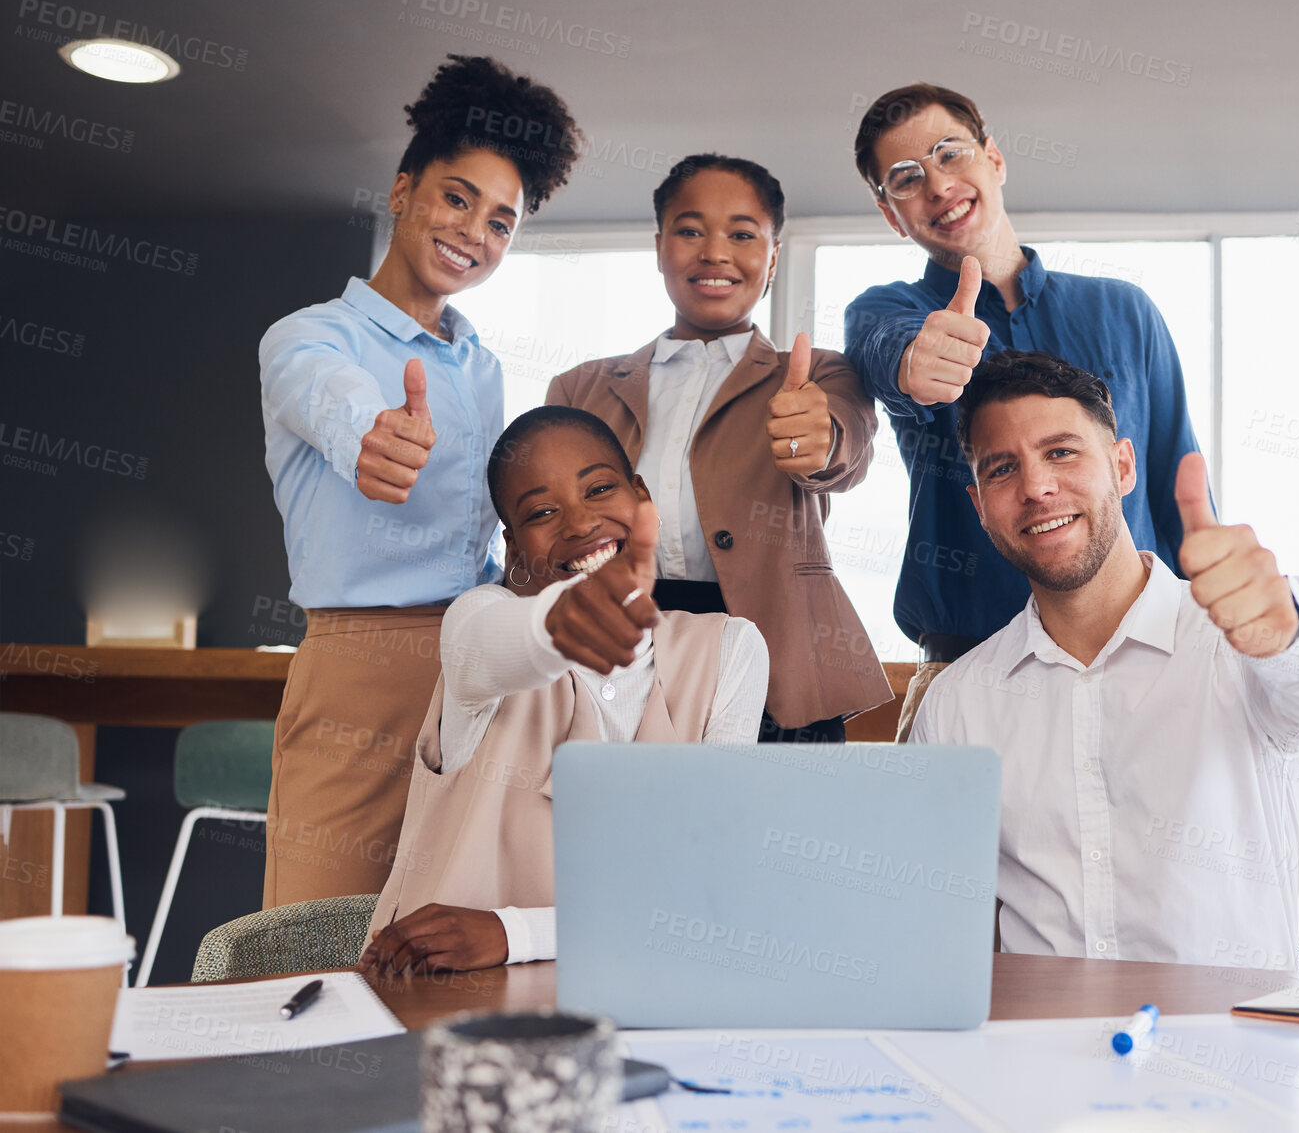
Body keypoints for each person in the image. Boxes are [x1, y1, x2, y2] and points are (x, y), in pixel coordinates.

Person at [910, 352, 1299, 970]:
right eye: (1003, 469)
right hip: (1037, 1051)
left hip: (1230, 1049)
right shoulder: (959, 703)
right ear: (979, 506)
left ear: (1123, 466)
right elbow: (936, 916)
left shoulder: (1236, 644)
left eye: (1061, 452)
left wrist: (1284, 638)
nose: (1036, 488)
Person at [258, 55, 580, 907]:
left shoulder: (480, 367)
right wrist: (373, 436)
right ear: (403, 191)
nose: (476, 232)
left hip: (474, 661)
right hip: (359, 667)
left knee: (448, 932)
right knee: (319, 932)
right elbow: (336, 404)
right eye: (457, 197)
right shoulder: (307, 338)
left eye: (503, 222)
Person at [843, 83, 1202, 740]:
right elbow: (883, 354)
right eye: (906, 178)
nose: (938, 186)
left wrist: (1211, 628)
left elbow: (1177, 483)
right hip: (966, 668)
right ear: (891, 214)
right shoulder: (886, 314)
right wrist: (914, 364)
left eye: (951, 154)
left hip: (1143, 665)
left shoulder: (1123, 311)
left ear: (995, 160)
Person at [361, 406, 768, 971]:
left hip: (650, 993)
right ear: (514, 547)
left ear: (642, 493)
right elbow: (494, 642)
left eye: (599, 488)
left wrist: (516, 933)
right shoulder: (475, 625)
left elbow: (709, 889)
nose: (579, 525)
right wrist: (563, 620)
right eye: (542, 512)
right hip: (445, 1005)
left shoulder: (729, 650)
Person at [546, 154, 889, 743]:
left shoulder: (819, 374)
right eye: (690, 231)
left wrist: (820, 438)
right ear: (659, 248)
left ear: (774, 256)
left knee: (773, 829)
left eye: (742, 234)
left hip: (776, 650)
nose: (715, 253)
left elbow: (844, 449)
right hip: (616, 648)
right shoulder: (580, 387)